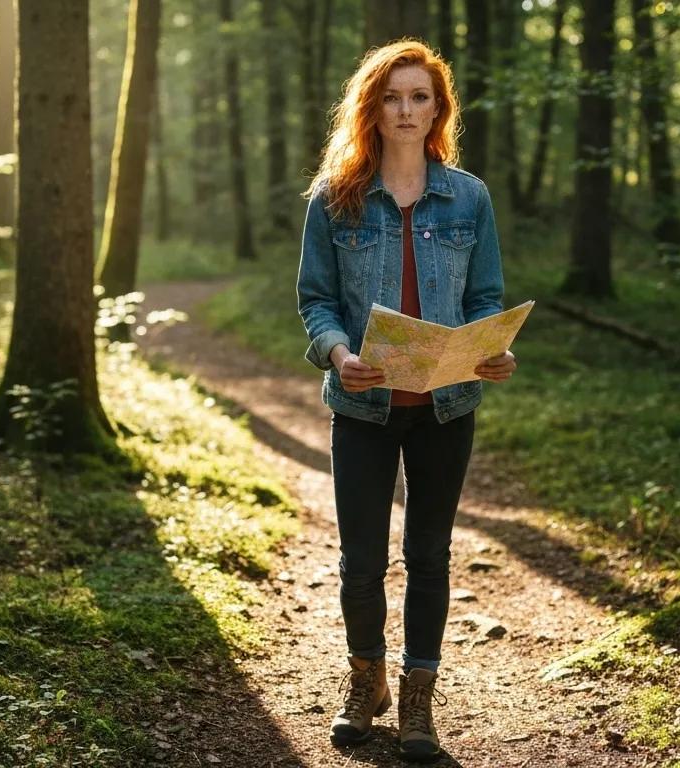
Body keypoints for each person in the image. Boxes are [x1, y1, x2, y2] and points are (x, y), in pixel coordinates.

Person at [295, 39, 517, 762]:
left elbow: (484, 296)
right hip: (362, 407)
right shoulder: (335, 199)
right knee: (360, 561)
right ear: (372, 107)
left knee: (429, 554)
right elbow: (316, 300)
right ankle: (368, 682)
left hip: (445, 409)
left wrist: (492, 349)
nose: (406, 109)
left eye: (419, 96)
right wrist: (339, 352)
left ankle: (419, 693)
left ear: (437, 108)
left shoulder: (469, 197)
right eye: (392, 96)